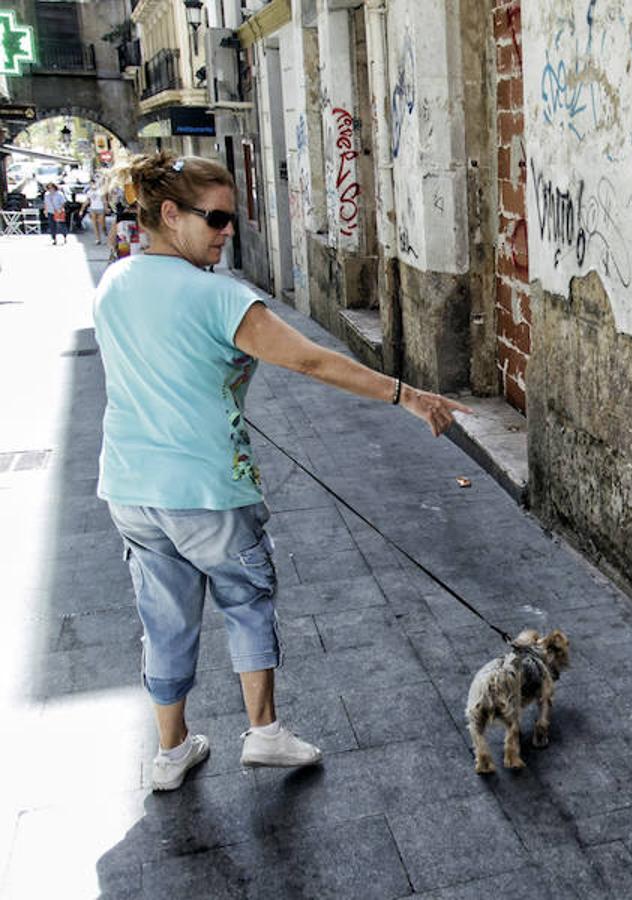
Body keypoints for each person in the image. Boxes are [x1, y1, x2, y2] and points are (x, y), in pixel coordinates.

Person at [92, 152, 472, 791]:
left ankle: (170, 750)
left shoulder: (114, 285)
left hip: (130, 488)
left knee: (164, 618)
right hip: (209, 489)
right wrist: (411, 397)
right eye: (214, 219)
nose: (225, 232)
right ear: (168, 214)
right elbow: (313, 362)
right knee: (245, 599)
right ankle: (264, 734)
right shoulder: (221, 297)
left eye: (229, 220)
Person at [87, 173, 108, 244]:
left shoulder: (101, 191)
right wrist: (82, 209)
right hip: (93, 209)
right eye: (90, 184)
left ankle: (105, 231)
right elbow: (88, 201)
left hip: (100, 208)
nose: (92, 185)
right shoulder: (89, 192)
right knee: (94, 224)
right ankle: (97, 239)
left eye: (93, 183)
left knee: (102, 224)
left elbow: (104, 200)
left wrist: (106, 208)